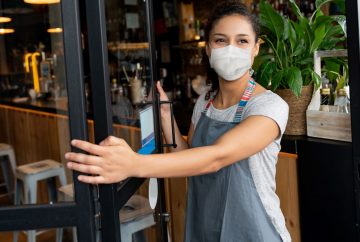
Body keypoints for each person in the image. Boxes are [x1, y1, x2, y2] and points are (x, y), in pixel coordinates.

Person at [65, 1, 291, 241]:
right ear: (208, 48)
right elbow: (191, 158)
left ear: (256, 48)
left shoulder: (269, 106)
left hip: (253, 231)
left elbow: (217, 157)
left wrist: (133, 164)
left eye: (242, 41)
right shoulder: (205, 101)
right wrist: (165, 116)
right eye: (221, 40)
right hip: (204, 227)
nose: (231, 49)